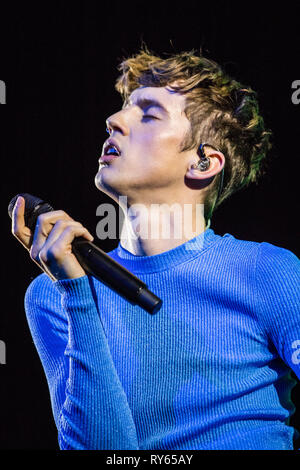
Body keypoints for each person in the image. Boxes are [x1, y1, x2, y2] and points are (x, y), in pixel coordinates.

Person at [11, 45, 300, 450]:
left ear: (203, 163)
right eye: (123, 108)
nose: (113, 120)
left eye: (148, 114)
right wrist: (76, 294)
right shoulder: (52, 294)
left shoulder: (269, 272)